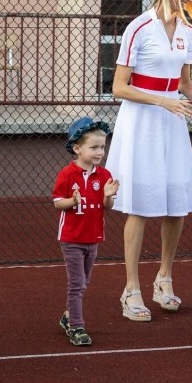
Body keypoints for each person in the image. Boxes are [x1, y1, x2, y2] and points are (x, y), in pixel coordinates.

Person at [105, 0, 192, 322]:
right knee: (137, 205)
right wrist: (163, 101)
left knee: (176, 203)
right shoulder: (139, 27)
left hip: (174, 122)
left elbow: (186, 85)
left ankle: (164, 279)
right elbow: (119, 87)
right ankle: (130, 289)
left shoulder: (187, 31)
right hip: (141, 122)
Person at [53, 117, 119, 346]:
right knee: (76, 284)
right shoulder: (66, 174)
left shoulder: (104, 175)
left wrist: (108, 196)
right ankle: (77, 327)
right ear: (77, 148)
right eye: (94, 147)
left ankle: (68, 316)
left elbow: (107, 207)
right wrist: (72, 201)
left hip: (93, 237)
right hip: (72, 238)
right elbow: (57, 203)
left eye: (102, 147)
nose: (100, 152)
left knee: (84, 282)